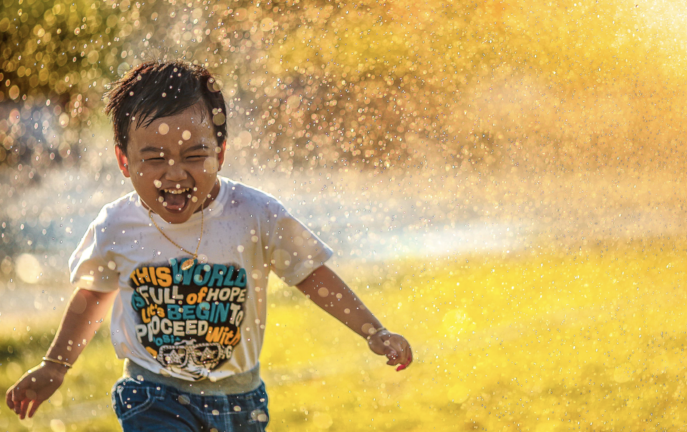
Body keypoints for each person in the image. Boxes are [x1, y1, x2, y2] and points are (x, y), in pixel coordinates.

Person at [5, 60, 413, 431]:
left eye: (194, 154)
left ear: (220, 152)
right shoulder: (117, 224)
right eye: (154, 158)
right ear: (124, 161)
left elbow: (311, 274)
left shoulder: (255, 214)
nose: (175, 173)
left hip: (240, 399)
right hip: (153, 395)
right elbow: (93, 295)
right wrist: (54, 366)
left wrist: (373, 330)